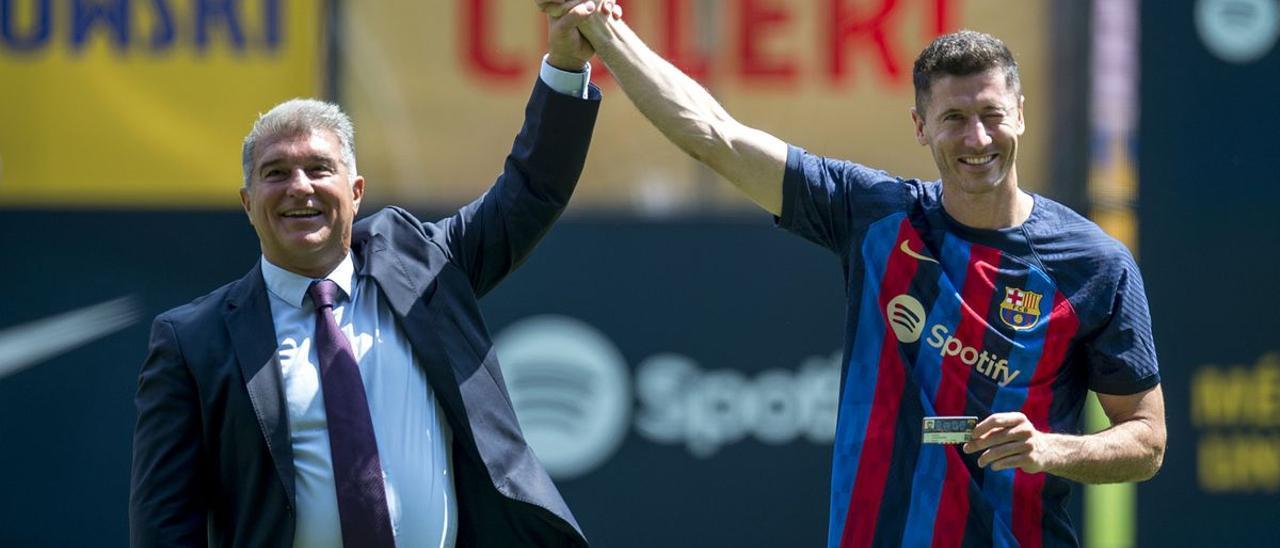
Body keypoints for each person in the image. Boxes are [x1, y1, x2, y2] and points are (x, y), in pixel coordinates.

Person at [538, 2, 1167, 546]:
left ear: (1021, 115)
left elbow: (1146, 440)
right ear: (920, 127)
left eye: (992, 113)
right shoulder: (875, 216)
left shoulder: (1094, 264)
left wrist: (1052, 449)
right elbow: (715, 136)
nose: (977, 137)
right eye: (953, 118)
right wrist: (604, 30)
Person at [128, 3, 616, 547]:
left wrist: (567, 62)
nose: (299, 187)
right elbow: (165, 527)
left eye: (319, 169)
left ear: (356, 193)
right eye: (275, 173)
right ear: (248, 202)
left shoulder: (425, 268)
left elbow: (531, 189)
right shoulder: (192, 342)